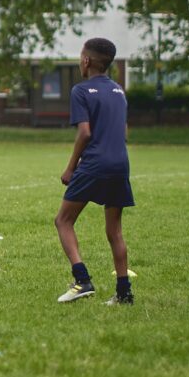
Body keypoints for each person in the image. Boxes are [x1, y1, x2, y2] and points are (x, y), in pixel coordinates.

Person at [54, 37, 134, 305]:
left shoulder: (81, 91)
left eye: (80, 56)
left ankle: (82, 280)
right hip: (120, 164)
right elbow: (124, 132)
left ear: (86, 61)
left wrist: (70, 167)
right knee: (115, 231)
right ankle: (123, 293)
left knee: (63, 221)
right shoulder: (119, 91)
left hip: (94, 164)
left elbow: (85, 133)